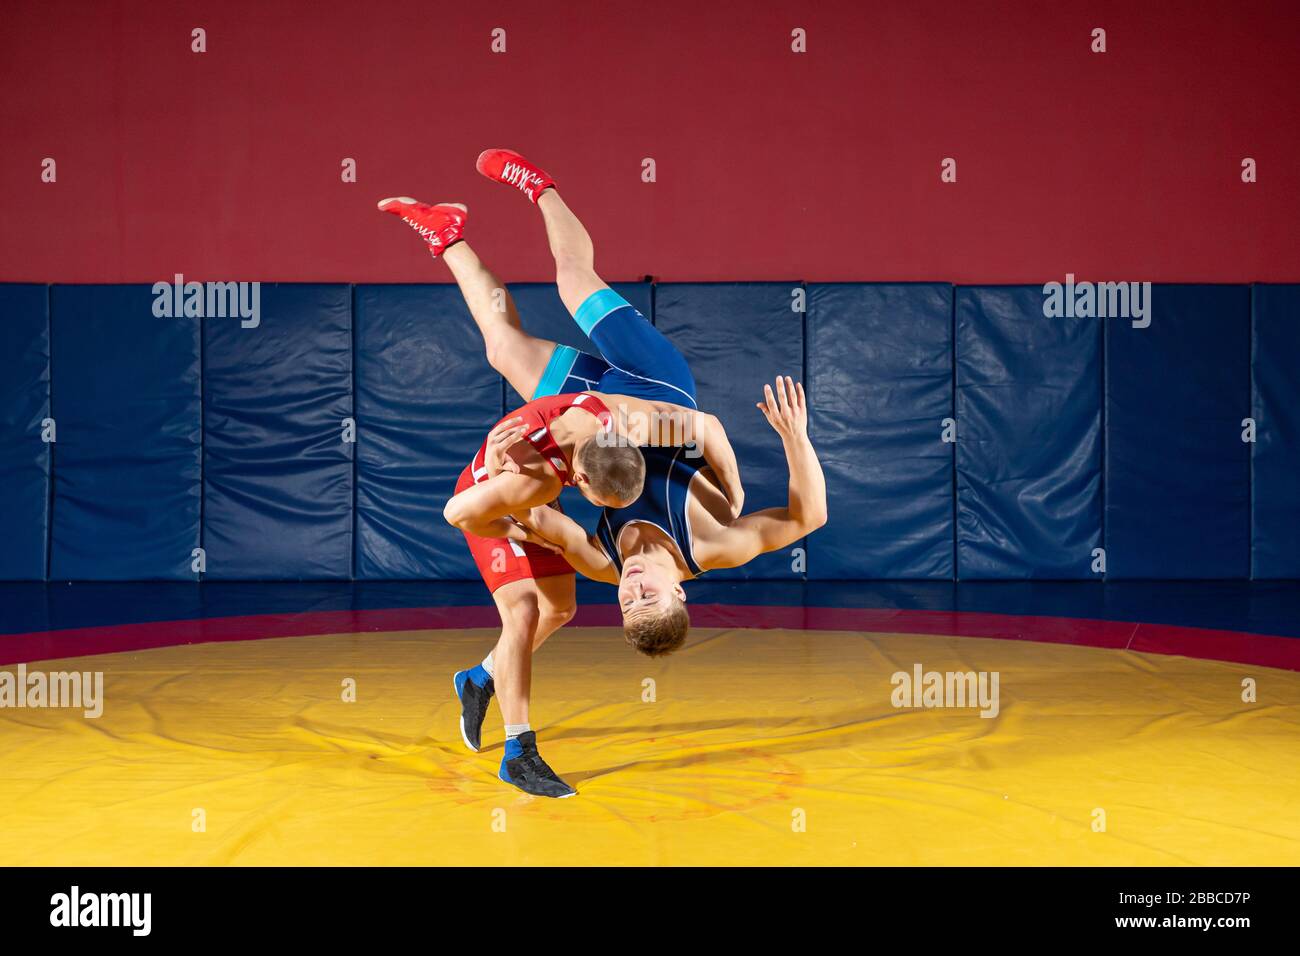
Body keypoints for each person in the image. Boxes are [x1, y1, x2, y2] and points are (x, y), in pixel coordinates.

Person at [376, 149, 743, 797]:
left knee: (502, 347)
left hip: (587, 420)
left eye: (625, 604)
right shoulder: (706, 534)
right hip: (655, 394)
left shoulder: (605, 558)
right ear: (681, 590)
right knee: (574, 280)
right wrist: (735, 494)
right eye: (647, 595)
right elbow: (707, 428)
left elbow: (544, 526)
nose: (631, 589)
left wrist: (514, 504)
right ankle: (537, 184)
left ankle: (447, 236)